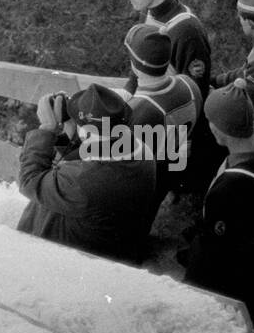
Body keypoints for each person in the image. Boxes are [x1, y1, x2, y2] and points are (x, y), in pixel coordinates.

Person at [17, 83, 158, 265]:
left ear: (86, 134)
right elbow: (95, 151)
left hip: (77, 257)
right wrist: (72, 127)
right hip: (114, 243)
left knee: (41, 199)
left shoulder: (83, 182)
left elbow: (29, 180)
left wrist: (46, 129)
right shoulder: (142, 151)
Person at [181, 80, 254, 333]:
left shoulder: (232, 188)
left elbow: (213, 253)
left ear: (220, 129)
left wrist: (190, 284)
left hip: (229, 273)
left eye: (210, 120)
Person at [120, 24, 203, 207]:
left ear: (135, 64)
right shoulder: (189, 84)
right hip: (173, 165)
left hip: (148, 179)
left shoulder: (137, 111)